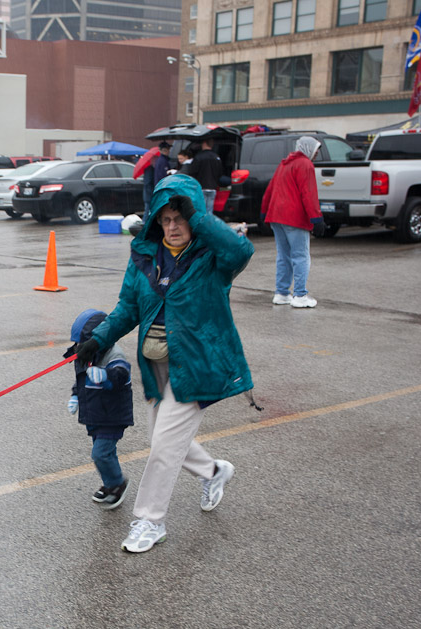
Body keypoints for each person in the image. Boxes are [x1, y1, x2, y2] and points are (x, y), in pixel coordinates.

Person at [74, 173, 255, 553]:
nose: (173, 226)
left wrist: (202, 218)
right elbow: (128, 307)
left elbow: (242, 252)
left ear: (193, 217)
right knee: (166, 440)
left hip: (197, 365)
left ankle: (149, 521)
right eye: (166, 219)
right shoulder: (145, 256)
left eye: (181, 217)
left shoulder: (212, 258)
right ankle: (215, 471)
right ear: (156, 219)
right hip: (157, 366)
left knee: (163, 447)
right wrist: (98, 340)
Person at [64, 309, 135, 509]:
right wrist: (76, 396)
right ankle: (109, 483)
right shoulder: (84, 354)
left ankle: (118, 484)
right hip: (96, 413)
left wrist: (106, 375)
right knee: (105, 453)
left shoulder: (113, 354)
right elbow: (80, 378)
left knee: (100, 454)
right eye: (76, 342)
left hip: (112, 414)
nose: (78, 346)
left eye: (81, 341)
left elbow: (121, 374)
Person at [260, 136, 326, 309]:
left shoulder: (284, 164)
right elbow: (308, 193)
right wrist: (317, 219)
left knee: (284, 256)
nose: (317, 153)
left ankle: (281, 293)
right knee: (301, 256)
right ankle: (300, 295)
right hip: (294, 218)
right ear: (308, 149)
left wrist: (264, 212)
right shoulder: (305, 165)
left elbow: (270, 189)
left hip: (276, 216)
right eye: (316, 150)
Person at [181, 139, 221, 213]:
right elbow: (219, 172)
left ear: (204, 143)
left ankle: (201, 223)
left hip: (201, 187)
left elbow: (192, 171)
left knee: (201, 209)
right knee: (209, 209)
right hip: (212, 187)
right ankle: (208, 223)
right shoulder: (216, 157)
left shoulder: (199, 157)